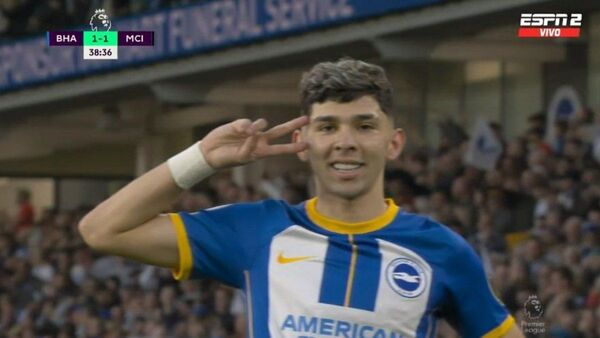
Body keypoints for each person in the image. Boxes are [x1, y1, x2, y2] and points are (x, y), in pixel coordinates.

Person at [79, 58, 524, 337]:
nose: (345, 142)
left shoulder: (441, 250)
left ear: (394, 143)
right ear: (303, 140)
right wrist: (203, 159)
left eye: (364, 126)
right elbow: (102, 230)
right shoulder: (257, 230)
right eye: (328, 126)